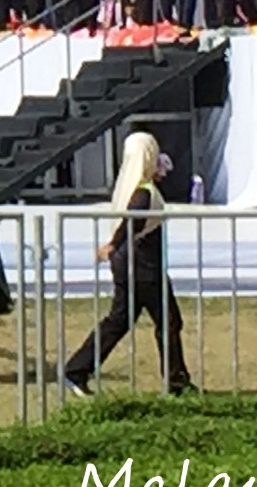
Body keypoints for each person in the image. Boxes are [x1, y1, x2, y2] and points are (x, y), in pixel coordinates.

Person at [64, 131, 193, 396]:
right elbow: (132, 221)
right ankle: (176, 382)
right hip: (143, 267)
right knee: (168, 322)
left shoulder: (132, 186)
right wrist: (113, 244)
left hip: (131, 264)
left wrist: (114, 246)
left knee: (121, 321)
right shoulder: (143, 192)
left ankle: (77, 370)